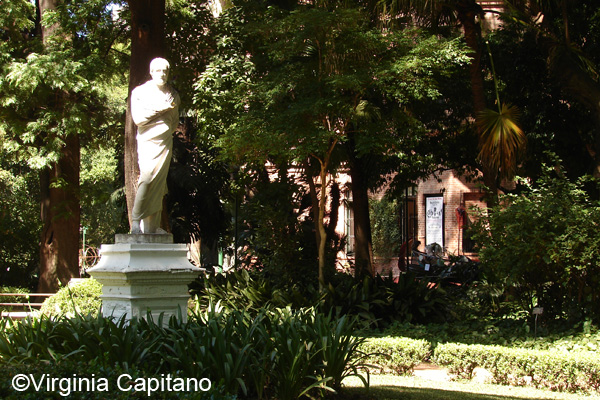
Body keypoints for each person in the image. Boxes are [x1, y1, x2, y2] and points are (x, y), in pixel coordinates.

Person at [130, 58, 180, 234]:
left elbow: (174, 123)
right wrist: (161, 109)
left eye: (165, 71)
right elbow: (139, 119)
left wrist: (164, 127)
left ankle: (152, 227)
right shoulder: (140, 92)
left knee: (159, 185)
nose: (163, 74)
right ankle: (135, 222)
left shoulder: (173, 95)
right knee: (147, 177)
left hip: (165, 142)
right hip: (148, 141)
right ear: (151, 72)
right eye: (158, 71)